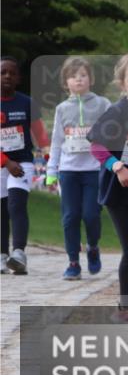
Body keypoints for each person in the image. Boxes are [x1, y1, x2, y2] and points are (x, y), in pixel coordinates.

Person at [87, 53, 128, 322]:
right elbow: (96, 145)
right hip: (118, 189)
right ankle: (126, 308)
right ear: (123, 84)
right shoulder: (116, 111)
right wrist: (117, 166)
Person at [46, 57, 111, 280]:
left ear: (90, 79)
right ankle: (73, 262)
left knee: (91, 215)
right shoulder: (62, 109)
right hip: (69, 170)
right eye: (74, 76)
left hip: (94, 169)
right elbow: (56, 141)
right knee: (70, 216)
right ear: (66, 82)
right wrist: (51, 172)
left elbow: (114, 129)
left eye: (83, 75)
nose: (79, 79)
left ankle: (93, 247)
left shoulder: (102, 104)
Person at [1, 56, 49, 275]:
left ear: (19, 78)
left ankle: (19, 254)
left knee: (16, 205)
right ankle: (2, 256)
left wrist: (50, 159)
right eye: (3, 72)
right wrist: (6, 162)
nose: (7, 76)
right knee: (1, 210)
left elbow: (40, 134)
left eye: (12, 73)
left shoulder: (26, 102)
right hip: (4, 163)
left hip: (23, 163)